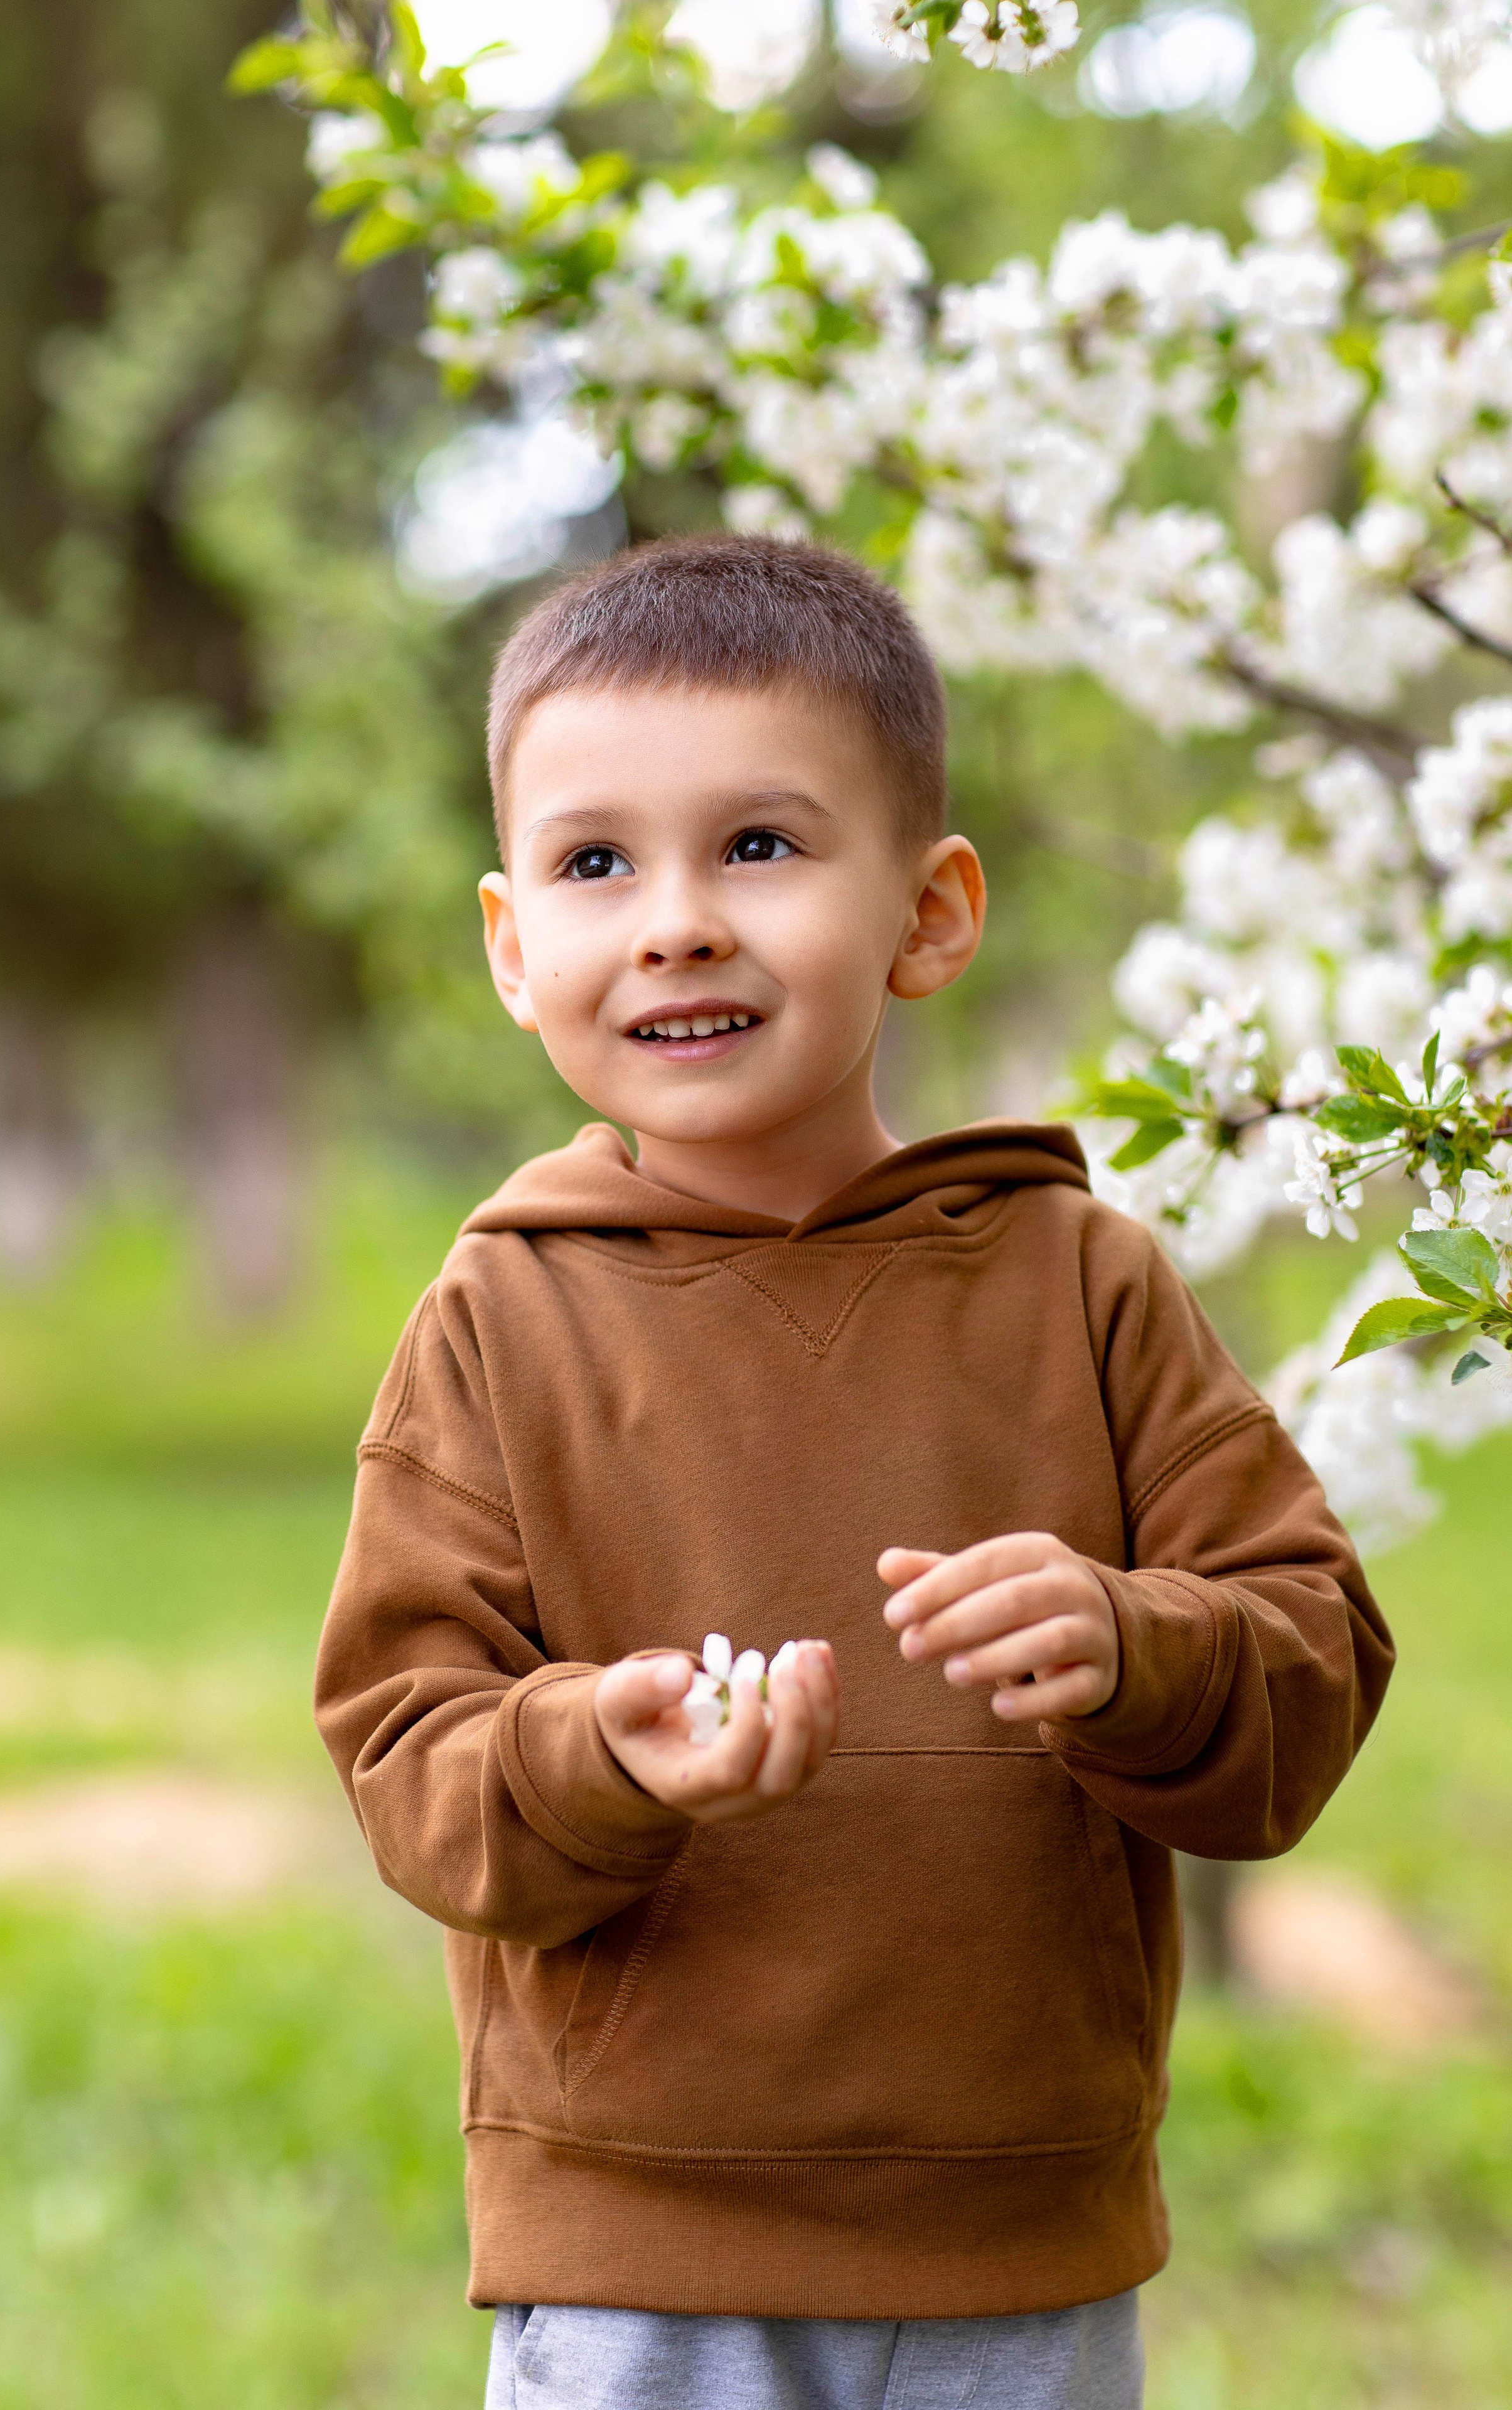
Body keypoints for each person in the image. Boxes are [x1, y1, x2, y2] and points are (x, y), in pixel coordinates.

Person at [315, 534, 1393, 2410]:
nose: (676, 922)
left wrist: (1135, 1647)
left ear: (931, 909)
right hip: (641, 2260)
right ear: (512, 947)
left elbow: (1313, 1659)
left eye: (760, 845)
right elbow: (411, 1757)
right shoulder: (500, 1320)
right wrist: (600, 1754)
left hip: (1021, 2256)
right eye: (596, 864)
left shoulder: (1081, 1281)